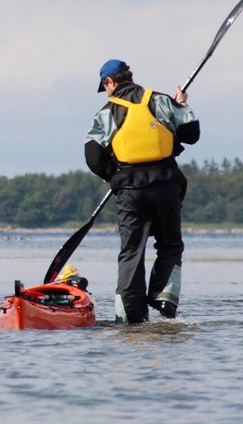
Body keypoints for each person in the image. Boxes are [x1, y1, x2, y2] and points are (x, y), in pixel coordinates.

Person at [84, 59, 200, 324]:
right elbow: (191, 134)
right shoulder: (160, 100)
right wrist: (181, 105)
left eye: (106, 87)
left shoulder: (107, 112)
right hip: (166, 186)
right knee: (170, 244)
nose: (107, 92)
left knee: (131, 251)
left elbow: (92, 156)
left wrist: (112, 177)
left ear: (110, 82)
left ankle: (129, 315)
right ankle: (164, 297)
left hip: (129, 190)